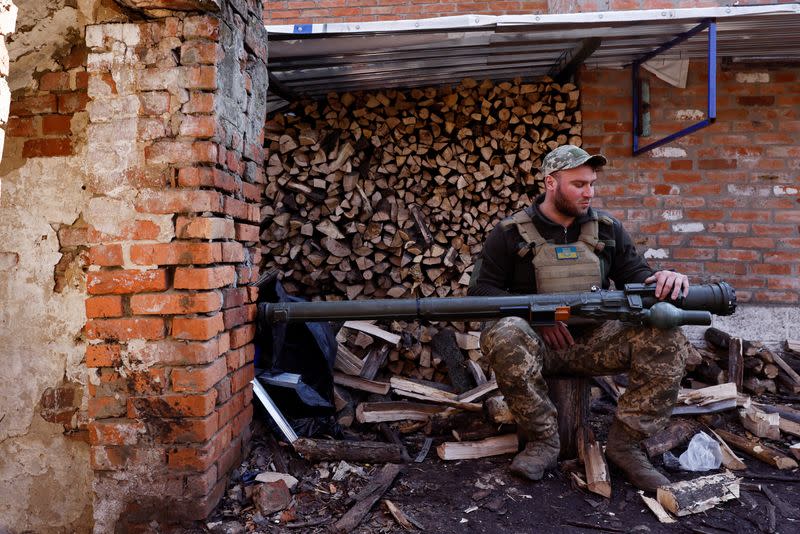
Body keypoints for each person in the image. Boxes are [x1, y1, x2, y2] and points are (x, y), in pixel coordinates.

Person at [468, 144, 695, 492]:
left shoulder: (607, 229)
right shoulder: (509, 233)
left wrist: (665, 278)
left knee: (666, 333)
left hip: (595, 343)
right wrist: (537, 316)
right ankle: (543, 440)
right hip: (535, 346)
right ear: (551, 183)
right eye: (578, 184)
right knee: (506, 331)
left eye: (591, 183)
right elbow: (481, 294)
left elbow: (637, 277)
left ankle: (626, 445)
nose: (589, 192)